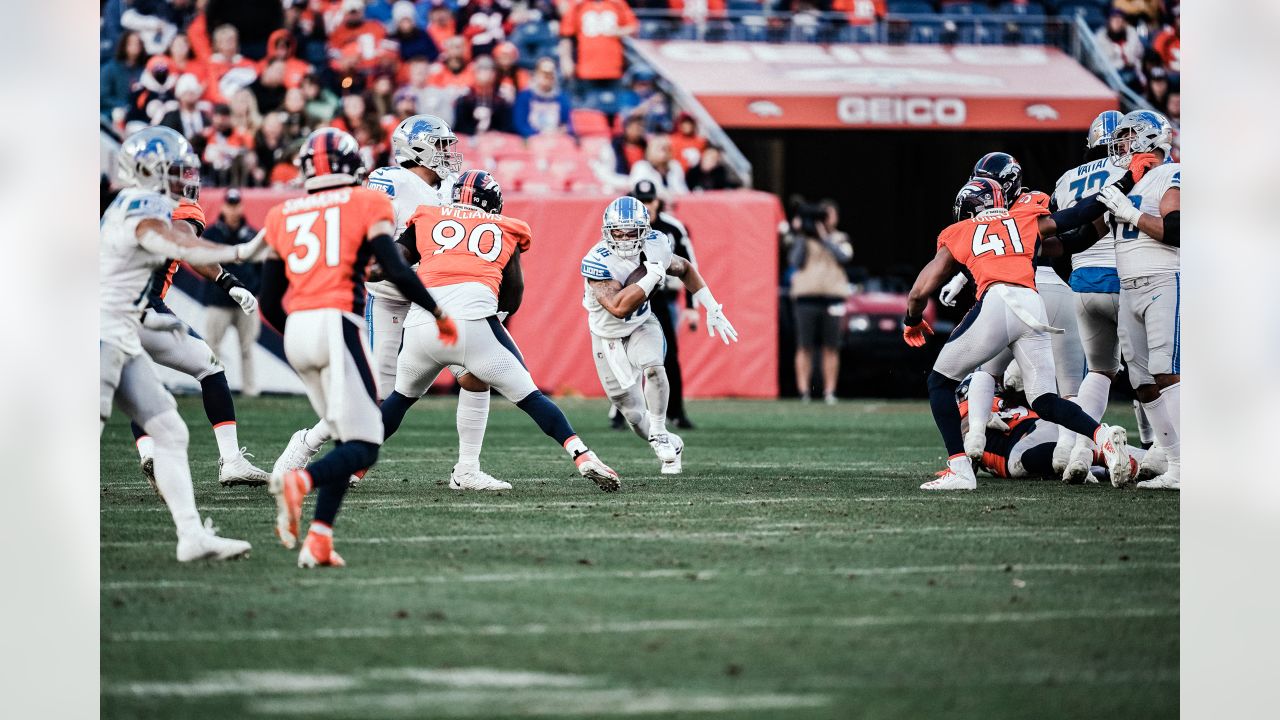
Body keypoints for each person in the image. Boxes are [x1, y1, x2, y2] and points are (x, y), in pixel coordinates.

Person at [246, 128, 460, 568]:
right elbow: (393, 261)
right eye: (438, 145)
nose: (446, 153)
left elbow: (269, 299)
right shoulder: (382, 187)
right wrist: (437, 311)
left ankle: (320, 538)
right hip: (361, 305)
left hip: (304, 324)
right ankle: (302, 471)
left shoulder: (286, 210)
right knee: (367, 431)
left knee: (360, 417)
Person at [273, 115, 501, 493]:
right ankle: (306, 445)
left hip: (427, 301)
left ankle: (467, 468)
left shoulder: (446, 190)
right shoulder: (392, 181)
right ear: (416, 149)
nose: (448, 154)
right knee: (373, 394)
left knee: (473, 373)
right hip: (386, 298)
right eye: (440, 145)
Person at [902, 170, 1142, 491]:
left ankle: (960, 468)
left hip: (999, 299)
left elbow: (920, 291)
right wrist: (1127, 180)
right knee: (1043, 399)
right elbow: (1080, 214)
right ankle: (1102, 437)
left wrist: (912, 320)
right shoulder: (1025, 218)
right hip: (1033, 303)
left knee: (940, 382)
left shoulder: (959, 230)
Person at [382, 170, 622, 491]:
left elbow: (394, 260)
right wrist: (493, 312)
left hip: (420, 323)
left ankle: (348, 463)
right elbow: (513, 293)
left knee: (400, 398)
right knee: (529, 396)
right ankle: (583, 455)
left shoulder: (428, 216)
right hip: (472, 325)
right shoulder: (505, 228)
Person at [101, 126, 254, 561]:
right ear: (150, 170)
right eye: (177, 169)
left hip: (130, 320)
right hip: (106, 330)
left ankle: (191, 535)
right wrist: (239, 257)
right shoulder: (142, 205)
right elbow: (177, 243)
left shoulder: (127, 202)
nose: (186, 178)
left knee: (168, 427)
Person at [123, 157, 271, 494]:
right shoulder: (180, 210)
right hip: (144, 308)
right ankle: (230, 459)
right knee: (211, 368)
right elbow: (187, 245)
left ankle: (148, 452)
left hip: (104, 312)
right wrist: (230, 273)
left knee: (136, 381)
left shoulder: (122, 207)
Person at [581, 196, 738, 474]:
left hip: (642, 324)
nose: (626, 237)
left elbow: (685, 268)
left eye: (633, 231)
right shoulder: (597, 261)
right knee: (632, 414)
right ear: (607, 231)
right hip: (607, 336)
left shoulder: (656, 243)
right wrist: (650, 278)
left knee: (654, 369)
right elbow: (618, 307)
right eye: (619, 231)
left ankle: (661, 432)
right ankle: (670, 443)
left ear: (645, 229)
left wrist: (711, 306)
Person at [1095, 110, 1181, 490]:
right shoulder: (1129, 180)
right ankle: (1177, 464)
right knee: (1142, 380)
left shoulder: (1170, 174)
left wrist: (1131, 214)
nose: (1122, 144)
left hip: (1165, 279)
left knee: (1166, 371)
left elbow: (1177, 231)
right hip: (1129, 286)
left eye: (1129, 136)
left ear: (1150, 139)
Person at [631, 180, 699, 429]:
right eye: (642, 200)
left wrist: (692, 305)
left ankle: (676, 411)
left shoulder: (672, 228)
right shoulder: (625, 227)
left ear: (657, 201)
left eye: (649, 200)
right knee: (629, 357)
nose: (647, 206)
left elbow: (690, 267)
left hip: (664, 297)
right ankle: (622, 413)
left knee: (668, 355)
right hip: (633, 297)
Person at [787, 202, 852, 404]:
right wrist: (801, 235)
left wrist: (824, 237)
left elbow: (844, 257)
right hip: (806, 296)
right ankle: (804, 391)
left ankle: (829, 391)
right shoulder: (804, 239)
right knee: (804, 346)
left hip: (832, 297)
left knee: (830, 347)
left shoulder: (840, 238)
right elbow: (794, 261)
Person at [203, 190, 263, 397]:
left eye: (236, 204)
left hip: (245, 302)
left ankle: (250, 388)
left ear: (241, 206)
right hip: (219, 300)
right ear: (223, 207)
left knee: (247, 348)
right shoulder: (212, 234)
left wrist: (257, 291)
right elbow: (202, 264)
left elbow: (261, 267)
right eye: (230, 204)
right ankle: (213, 388)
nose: (233, 209)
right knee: (212, 347)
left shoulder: (251, 234)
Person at [558, 0, 637, 90]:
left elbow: (633, 27)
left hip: (613, 68)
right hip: (586, 68)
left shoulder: (617, 3)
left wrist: (619, 31)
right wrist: (566, 60)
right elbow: (566, 36)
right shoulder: (578, 5)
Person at [452, 55, 515, 135]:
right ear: (475, 73)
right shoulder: (465, 95)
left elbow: (506, 124)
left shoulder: (501, 97)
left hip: (495, 139)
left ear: (494, 74)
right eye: (482, 70)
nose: (486, 74)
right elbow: (459, 123)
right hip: (468, 138)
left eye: (490, 70)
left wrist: (495, 133)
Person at [513, 57, 573, 138]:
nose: (547, 76)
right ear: (536, 74)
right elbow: (520, 125)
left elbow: (568, 125)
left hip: (555, 139)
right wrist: (539, 134)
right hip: (532, 139)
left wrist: (564, 130)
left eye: (551, 73)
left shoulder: (561, 97)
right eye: (543, 72)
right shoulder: (525, 96)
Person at [102, 31, 147, 119]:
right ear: (124, 45)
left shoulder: (144, 69)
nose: (135, 46)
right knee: (118, 114)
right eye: (131, 43)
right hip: (111, 115)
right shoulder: (110, 68)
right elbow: (103, 96)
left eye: (138, 43)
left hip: (136, 116)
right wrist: (122, 105)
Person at [1095, 10, 1143, 91]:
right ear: (1109, 22)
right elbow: (1098, 64)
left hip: (1133, 72)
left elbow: (1140, 54)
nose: (1117, 22)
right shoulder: (1101, 39)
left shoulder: (1132, 36)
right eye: (1114, 19)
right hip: (1110, 75)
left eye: (1120, 19)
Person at [159, 74, 211, 140]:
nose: (190, 95)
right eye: (186, 93)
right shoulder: (171, 116)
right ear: (179, 96)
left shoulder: (205, 115)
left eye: (193, 92)